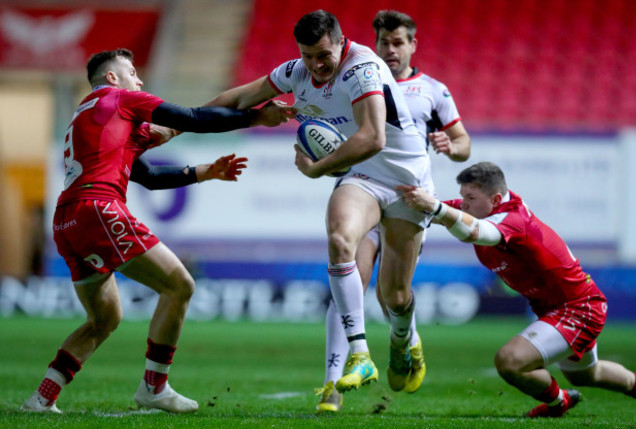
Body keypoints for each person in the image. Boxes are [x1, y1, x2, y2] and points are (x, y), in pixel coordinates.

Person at [21, 48, 294, 414]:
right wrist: (255, 118)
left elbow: (147, 176)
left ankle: (41, 397)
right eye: (133, 72)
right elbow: (193, 117)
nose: (140, 80)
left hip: (67, 220)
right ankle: (154, 387)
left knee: (105, 318)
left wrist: (205, 171)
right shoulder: (120, 98)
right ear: (113, 78)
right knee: (179, 284)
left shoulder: (92, 117)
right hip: (99, 208)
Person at [206, 9, 435, 401]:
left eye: (324, 55)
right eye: (308, 55)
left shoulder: (361, 67)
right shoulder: (296, 71)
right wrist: (177, 123)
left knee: (394, 297)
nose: (316, 64)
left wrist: (316, 171)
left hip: (406, 182)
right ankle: (360, 355)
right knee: (339, 238)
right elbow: (242, 97)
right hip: (362, 177)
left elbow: (373, 137)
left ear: (341, 43)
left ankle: (403, 337)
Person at [397, 161, 636, 417]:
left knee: (510, 361)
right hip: (559, 308)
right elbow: (443, 213)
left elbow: (472, 231)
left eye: (470, 197)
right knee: (586, 375)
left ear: (495, 199)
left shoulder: (513, 220)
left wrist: (435, 207)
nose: (464, 203)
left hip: (578, 309)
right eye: (463, 196)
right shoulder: (487, 209)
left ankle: (558, 402)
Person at [316, 9, 472, 413]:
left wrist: (449, 146)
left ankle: (407, 340)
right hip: (365, 187)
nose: (390, 50)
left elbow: (463, 144)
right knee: (346, 272)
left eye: (398, 42)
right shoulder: (354, 80)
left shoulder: (432, 90)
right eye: (384, 42)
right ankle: (331, 385)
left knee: (394, 297)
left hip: (409, 196)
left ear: (412, 45)